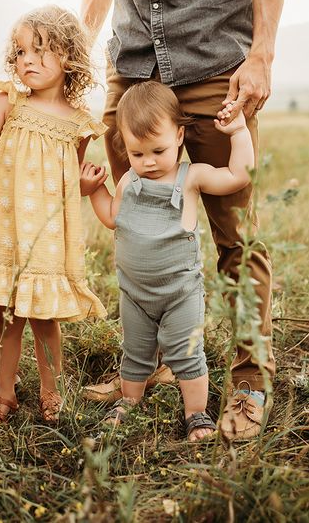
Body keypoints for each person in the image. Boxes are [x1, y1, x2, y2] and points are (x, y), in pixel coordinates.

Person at [81, 0, 288, 439]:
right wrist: (73, 60)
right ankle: (165, 360)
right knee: (146, 224)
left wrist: (261, 55)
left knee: (234, 241)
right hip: (133, 82)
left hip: (215, 73)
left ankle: (251, 379)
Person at [0, 6, 107, 426]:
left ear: (68, 56)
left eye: (39, 50)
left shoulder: (77, 125)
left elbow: (68, 181)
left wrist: (85, 188)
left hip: (45, 239)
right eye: (19, 52)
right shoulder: (6, 102)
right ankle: (5, 394)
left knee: (45, 318)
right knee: (6, 316)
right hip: (6, 232)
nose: (26, 60)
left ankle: (52, 394)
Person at [80, 81, 254, 441]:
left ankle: (196, 414)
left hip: (180, 295)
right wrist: (95, 189)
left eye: (157, 150)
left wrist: (237, 132)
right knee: (135, 353)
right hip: (135, 295)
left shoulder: (191, 177)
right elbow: (113, 217)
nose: (148, 162)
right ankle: (129, 401)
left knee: (188, 356)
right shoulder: (129, 180)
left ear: (179, 135)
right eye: (137, 153)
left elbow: (238, 176)